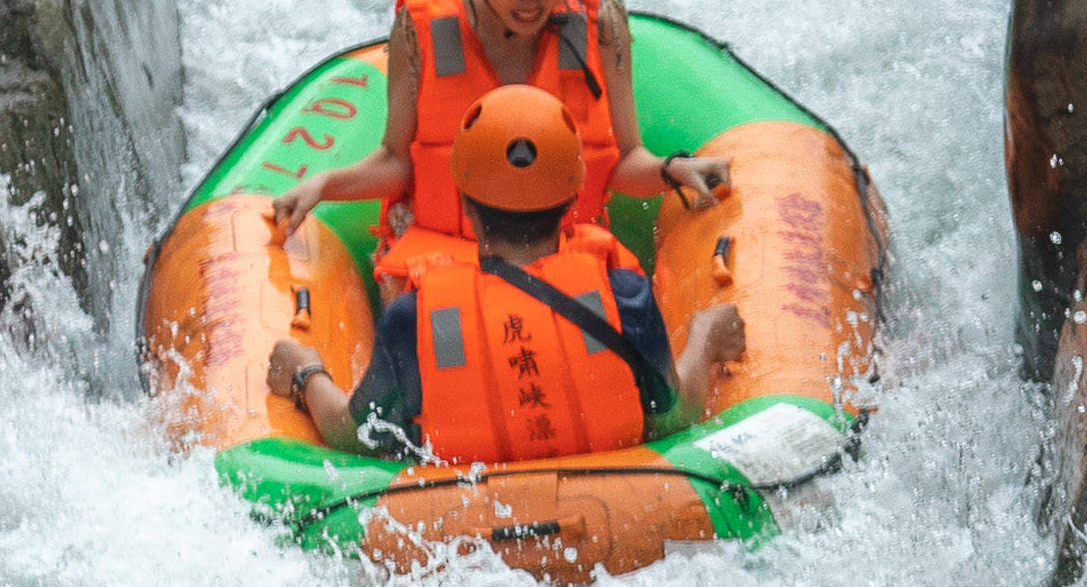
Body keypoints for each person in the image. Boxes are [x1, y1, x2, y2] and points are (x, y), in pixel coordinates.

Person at [278, 84, 752, 467]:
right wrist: (704, 337)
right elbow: (673, 415)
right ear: (573, 200)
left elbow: (357, 435)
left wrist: (305, 373)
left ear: (462, 201)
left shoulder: (413, 316)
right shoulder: (622, 293)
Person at [354, 0, 723, 245]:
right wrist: (320, 187)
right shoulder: (418, 29)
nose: (530, 1)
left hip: (564, 259)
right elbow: (396, 163)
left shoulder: (602, 25)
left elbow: (624, 162)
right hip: (443, 260)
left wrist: (672, 169)